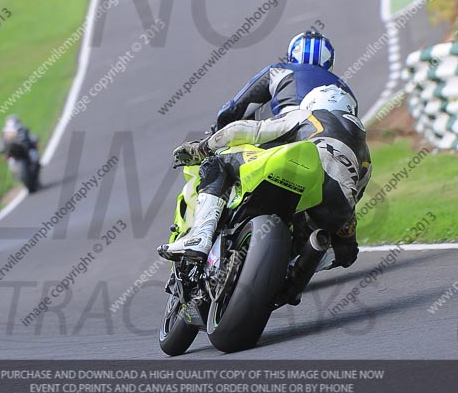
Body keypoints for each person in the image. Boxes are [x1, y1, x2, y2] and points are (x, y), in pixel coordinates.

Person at [158, 85, 372, 280]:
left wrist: (201, 148)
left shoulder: (310, 115)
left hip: (302, 172)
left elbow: (248, 131)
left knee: (216, 163)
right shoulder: (366, 156)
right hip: (335, 207)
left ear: (314, 103)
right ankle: (292, 278)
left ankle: (200, 236)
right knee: (346, 251)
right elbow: (353, 201)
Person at [216, 28, 357, 129]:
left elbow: (236, 109)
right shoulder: (346, 89)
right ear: (330, 61)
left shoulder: (278, 70)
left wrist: (217, 129)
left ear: (292, 56)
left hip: (286, 131)